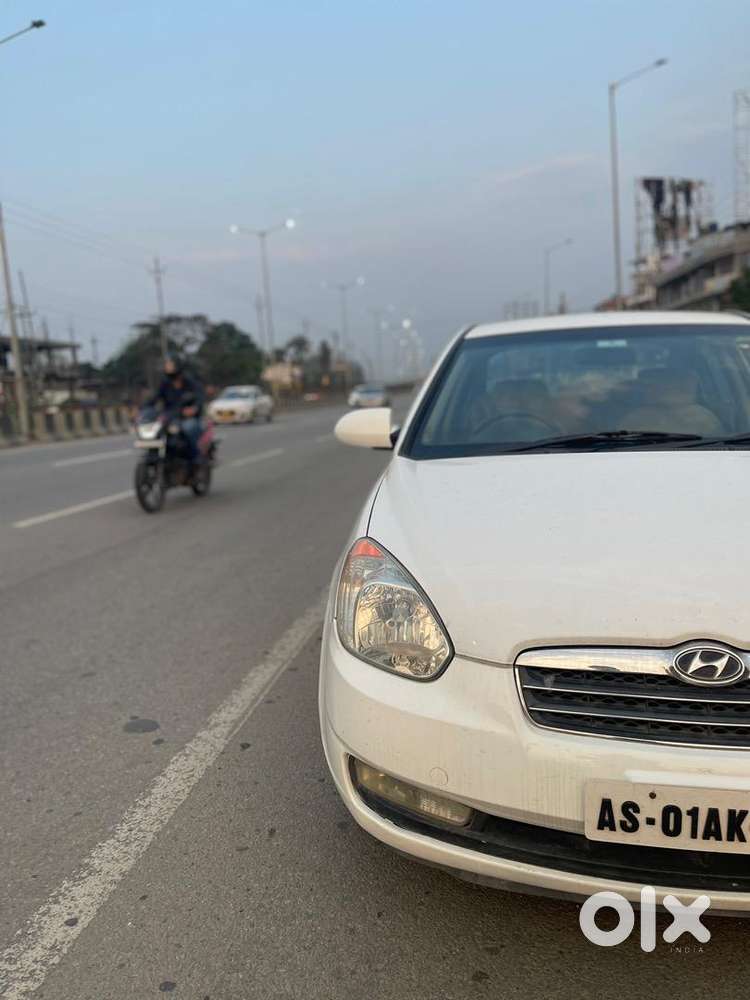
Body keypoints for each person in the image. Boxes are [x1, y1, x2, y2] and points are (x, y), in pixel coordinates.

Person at [148, 356, 205, 462]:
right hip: (171, 417)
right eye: (166, 365)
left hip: (187, 418)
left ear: (178, 366)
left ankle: (196, 457)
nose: (168, 368)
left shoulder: (189, 382)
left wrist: (194, 408)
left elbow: (199, 397)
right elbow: (154, 398)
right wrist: (141, 409)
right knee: (156, 431)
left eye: (170, 365)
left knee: (188, 428)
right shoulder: (165, 384)